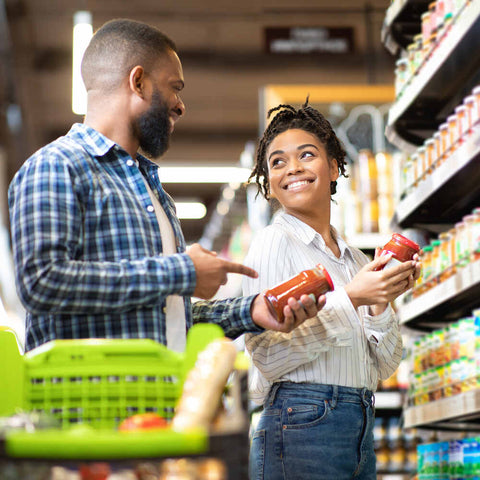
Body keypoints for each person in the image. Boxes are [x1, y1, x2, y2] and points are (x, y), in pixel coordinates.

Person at [7, 19, 325, 353]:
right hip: (87, 401)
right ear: (139, 82)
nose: (180, 104)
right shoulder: (56, 166)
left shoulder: (153, 192)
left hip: (159, 398)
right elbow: (42, 283)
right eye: (175, 87)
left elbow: (171, 316)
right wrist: (182, 270)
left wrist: (251, 311)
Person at [243, 101, 421, 480]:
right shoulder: (273, 243)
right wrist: (353, 298)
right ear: (269, 183)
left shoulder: (356, 260)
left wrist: (380, 301)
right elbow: (267, 356)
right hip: (300, 425)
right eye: (277, 162)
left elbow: (386, 366)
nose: (292, 168)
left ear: (335, 167)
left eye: (306, 155)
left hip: (358, 425)